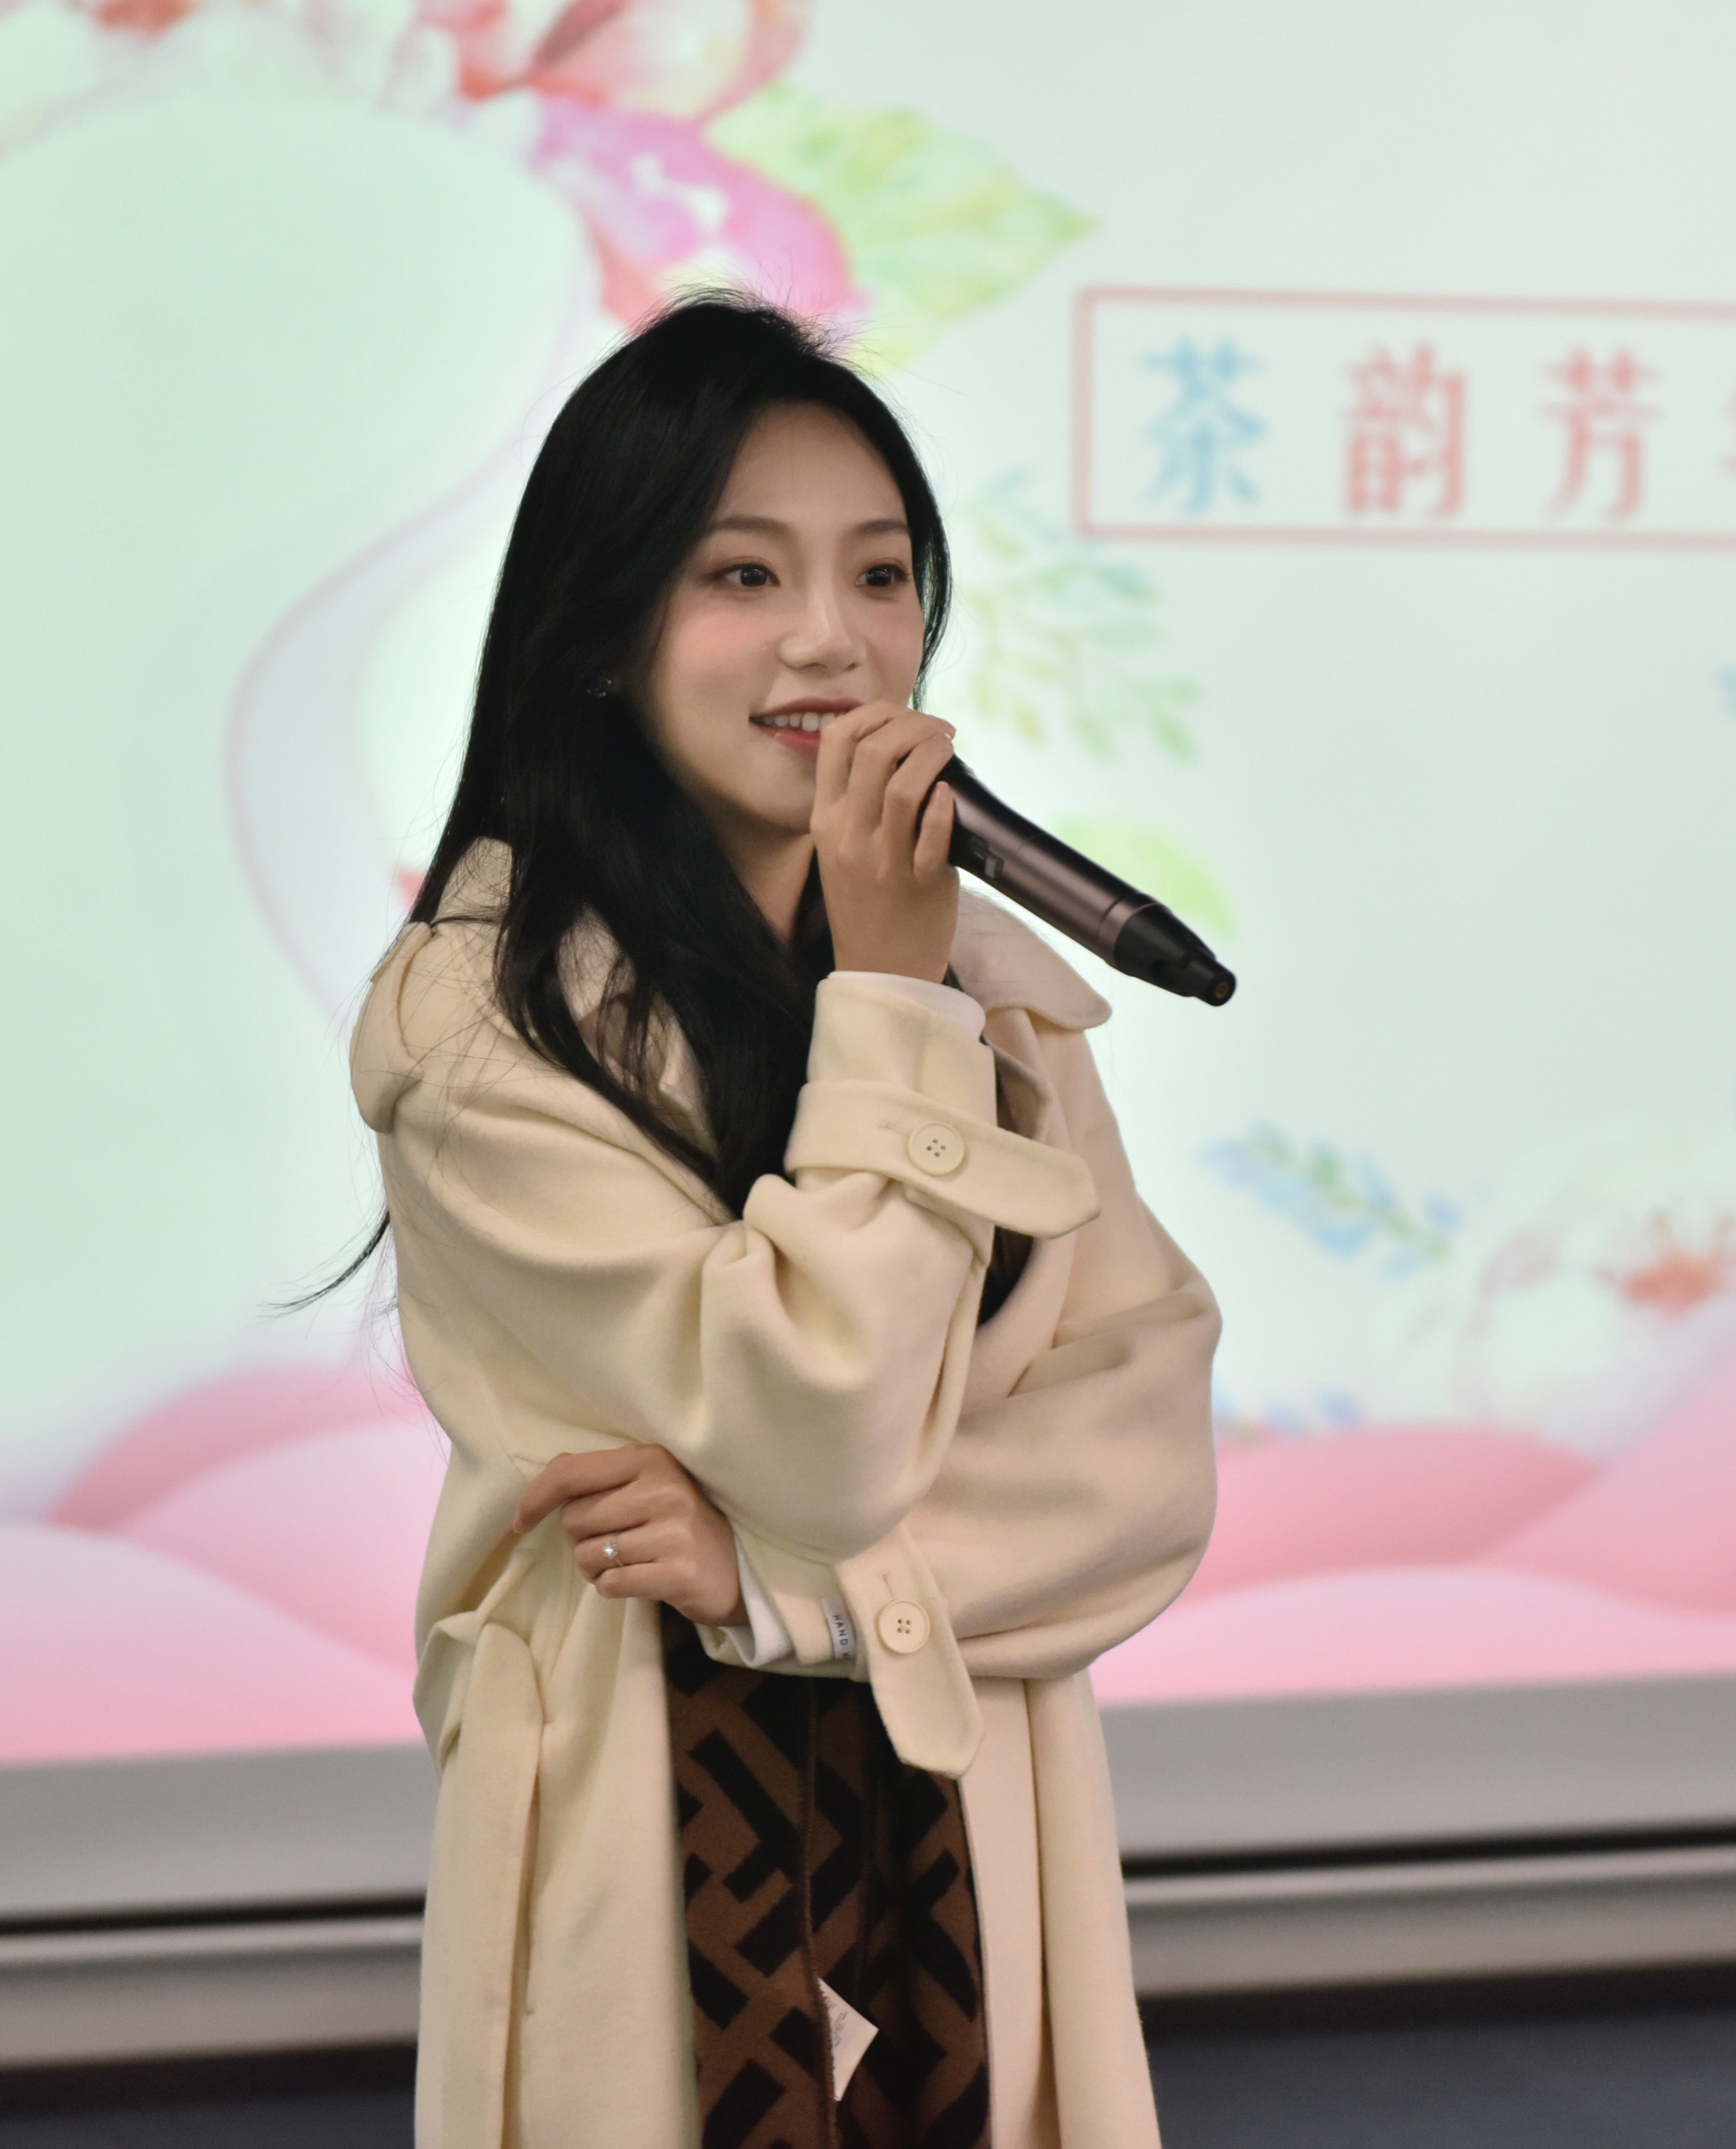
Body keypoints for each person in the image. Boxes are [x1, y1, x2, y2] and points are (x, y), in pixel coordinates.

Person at [350, 296, 1221, 2149]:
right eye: (741, 576)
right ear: (602, 629)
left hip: (966, 1809)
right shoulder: (483, 1020)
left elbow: (1142, 1456)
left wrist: (782, 1580)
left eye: (879, 575)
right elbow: (818, 1426)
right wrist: (886, 1004)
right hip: (650, 1809)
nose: (830, 638)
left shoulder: (997, 995)